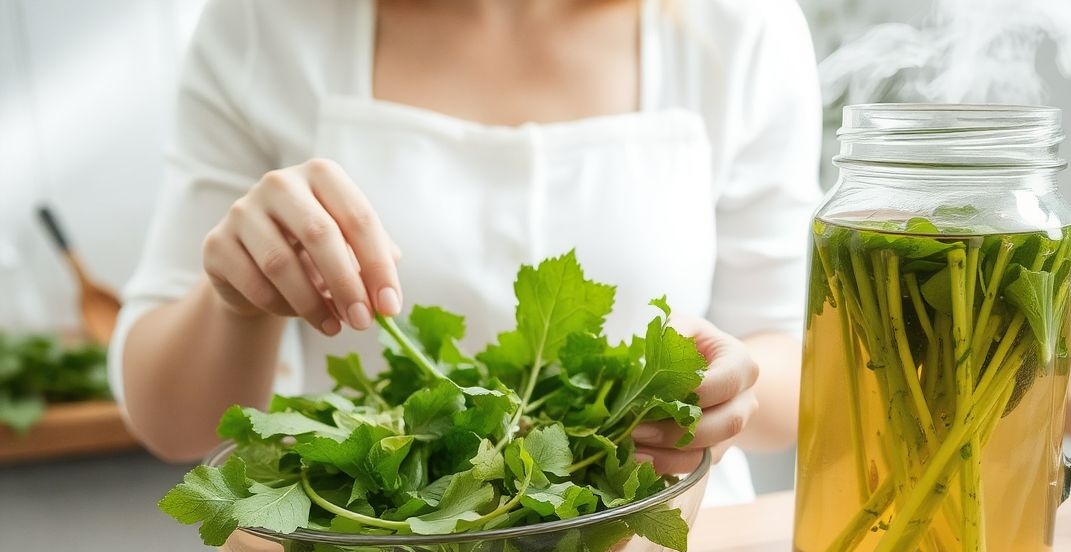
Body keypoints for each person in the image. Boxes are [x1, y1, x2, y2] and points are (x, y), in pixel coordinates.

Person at [110, 0, 821, 504]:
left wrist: (722, 394)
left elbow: (799, 359)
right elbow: (169, 422)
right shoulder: (262, 23)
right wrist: (236, 305)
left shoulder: (740, 24)